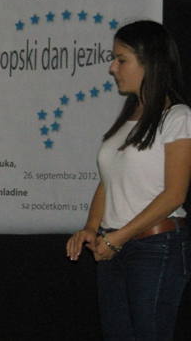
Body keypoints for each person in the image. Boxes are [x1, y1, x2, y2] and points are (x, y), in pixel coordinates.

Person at [66, 20, 191, 340]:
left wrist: (118, 237)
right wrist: (92, 228)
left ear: (150, 62)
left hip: (156, 247)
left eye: (121, 59)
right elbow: (108, 181)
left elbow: (175, 194)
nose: (112, 67)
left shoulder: (178, 117)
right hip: (115, 246)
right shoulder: (129, 118)